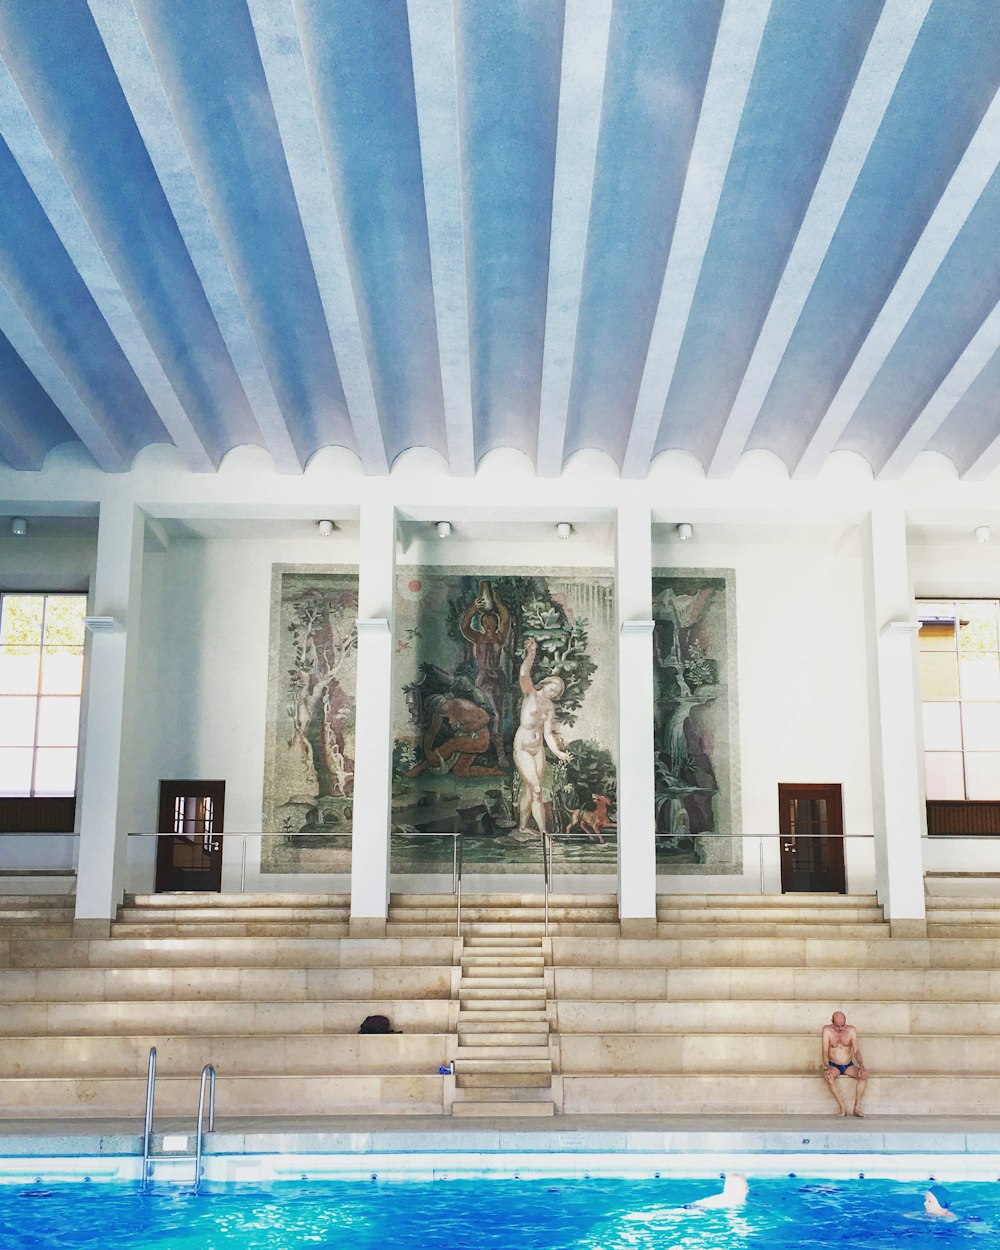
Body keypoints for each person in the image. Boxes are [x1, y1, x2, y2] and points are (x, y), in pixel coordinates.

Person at [512, 638, 570, 840]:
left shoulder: (550, 707)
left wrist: (558, 752)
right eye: (552, 688)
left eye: (557, 692)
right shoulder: (530, 694)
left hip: (538, 750)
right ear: (545, 684)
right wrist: (532, 654)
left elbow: (547, 734)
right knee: (535, 788)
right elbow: (523, 674)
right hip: (523, 747)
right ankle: (544, 834)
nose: (554, 693)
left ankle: (522, 828)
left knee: (532, 791)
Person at [460, 586, 511, 765]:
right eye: (485, 622)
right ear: (482, 624)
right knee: (491, 713)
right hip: (483, 678)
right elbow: (464, 626)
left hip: (498, 677)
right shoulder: (478, 638)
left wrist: (497, 601)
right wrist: (473, 609)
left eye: (491, 622)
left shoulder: (500, 637)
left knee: (498, 713)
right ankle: (495, 752)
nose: (488, 624)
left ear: (495, 624)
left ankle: (496, 751)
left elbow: (506, 619)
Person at [821, 1011, 868, 1117]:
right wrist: (827, 1067)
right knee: (829, 1077)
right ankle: (842, 1107)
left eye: (843, 1025)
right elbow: (824, 1051)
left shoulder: (851, 1030)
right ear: (832, 1022)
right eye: (838, 1026)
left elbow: (856, 1051)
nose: (841, 1028)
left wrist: (861, 1065)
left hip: (848, 1065)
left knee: (863, 1075)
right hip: (834, 1065)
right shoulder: (827, 1030)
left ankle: (857, 1107)